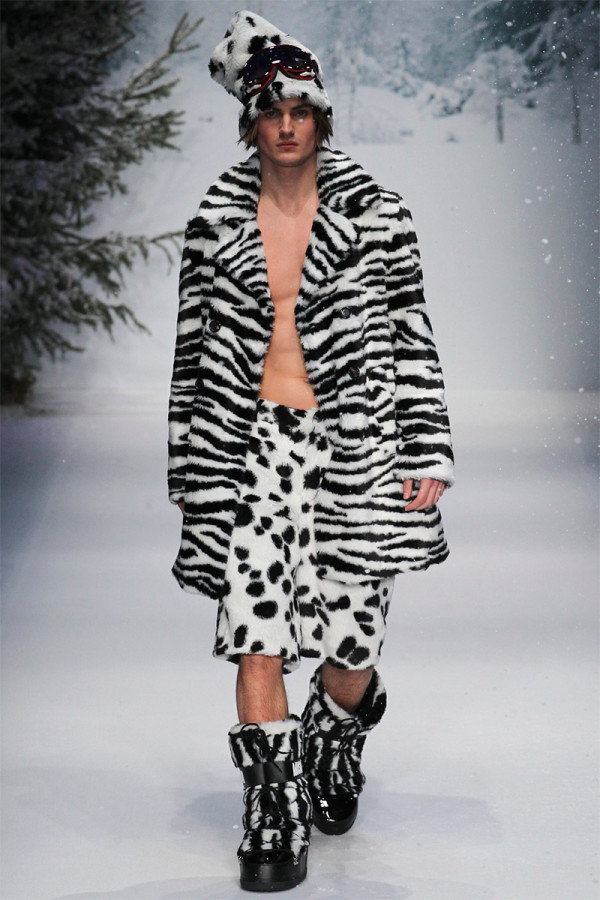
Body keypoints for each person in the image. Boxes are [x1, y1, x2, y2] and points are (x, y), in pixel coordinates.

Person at [168, 10, 454, 893]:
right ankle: (272, 805)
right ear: (251, 121)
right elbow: (190, 354)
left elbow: (412, 335)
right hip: (251, 448)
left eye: (300, 108)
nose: (287, 124)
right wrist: (188, 466)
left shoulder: (378, 214)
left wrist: (427, 447)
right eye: (271, 109)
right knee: (255, 634)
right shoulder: (214, 222)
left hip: (355, 447)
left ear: (321, 116)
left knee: (351, 642)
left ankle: (336, 730)